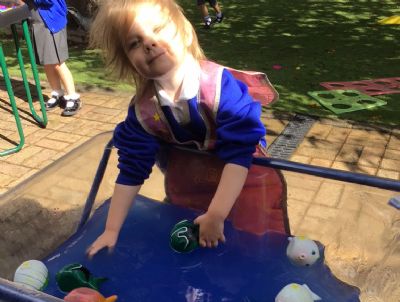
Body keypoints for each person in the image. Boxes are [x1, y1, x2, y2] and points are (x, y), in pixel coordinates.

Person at [87, 0, 288, 258]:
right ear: (128, 61)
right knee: (196, 250)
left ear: (185, 32)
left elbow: (240, 152)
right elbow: (131, 169)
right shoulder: (143, 111)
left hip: (245, 182)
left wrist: (216, 214)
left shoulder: (220, 87)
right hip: (191, 185)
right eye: (134, 43)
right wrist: (111, 230)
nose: (149, 43)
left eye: (158, 29)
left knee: (252, 248)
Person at [26, 0, 81, 116]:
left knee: (58, 63)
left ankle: (73, 97)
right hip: (38, 22)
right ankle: (57, 94)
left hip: (52, 21)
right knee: (47, 62)